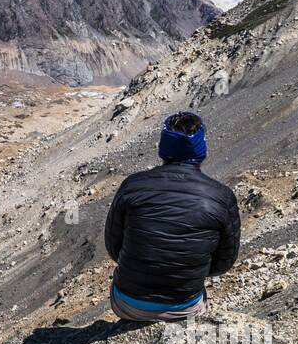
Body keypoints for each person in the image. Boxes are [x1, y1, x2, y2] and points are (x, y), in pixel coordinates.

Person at [103, 111, 240, 322]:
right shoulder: (221, 197)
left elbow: (114, 247)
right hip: (184, 308)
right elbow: (224, 262)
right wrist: (190, 269)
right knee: (200, 301)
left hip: (127, 302)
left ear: (163, 148)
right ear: (201, 148)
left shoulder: (133, 185)